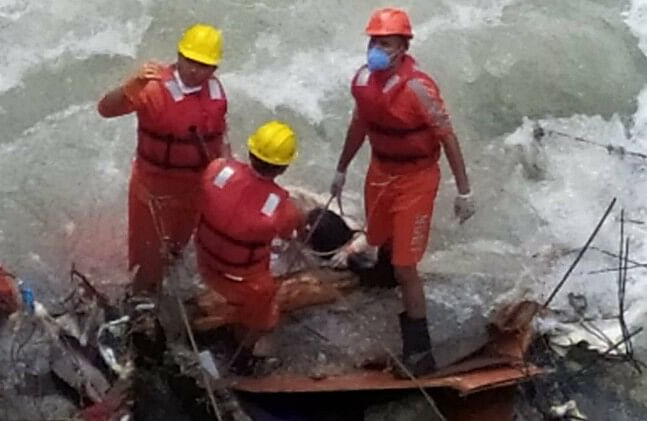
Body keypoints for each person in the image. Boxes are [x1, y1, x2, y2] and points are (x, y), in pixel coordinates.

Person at [330, 7, 475, 376]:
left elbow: (447, 136)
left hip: (417, 177)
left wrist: (464, 190)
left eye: (386, 42)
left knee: (406, 265)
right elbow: (358, 125)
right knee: (377, 235)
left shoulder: (418, 88)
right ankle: (382, 275)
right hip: (381, 170)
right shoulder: (363, 81)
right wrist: (342, 167)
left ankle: (419, 348)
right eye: (374, 41)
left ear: (403, 47)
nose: (377, 48)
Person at [97, 24, 229, 293]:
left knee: (179, 245)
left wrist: (225, 174)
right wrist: (128, 88)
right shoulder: (151, 88)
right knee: (148, 258)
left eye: (203, 65)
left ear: (213, 69)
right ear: (179, 55)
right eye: (189, 60)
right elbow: (105, 109)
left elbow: (219, 137)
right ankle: (141, 298)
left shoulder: (215, 92)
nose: (194, 69)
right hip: (154, 187)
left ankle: (170, 281)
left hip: (193, 187)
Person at [194, 120, 302, 376]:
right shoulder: (283, 208)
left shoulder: (216, 169)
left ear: (251, 152)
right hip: (243, 282)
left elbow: (227, 183)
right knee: (266, 317)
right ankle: (243, 357)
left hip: (205, 262)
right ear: (283, 167)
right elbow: (289, 236)